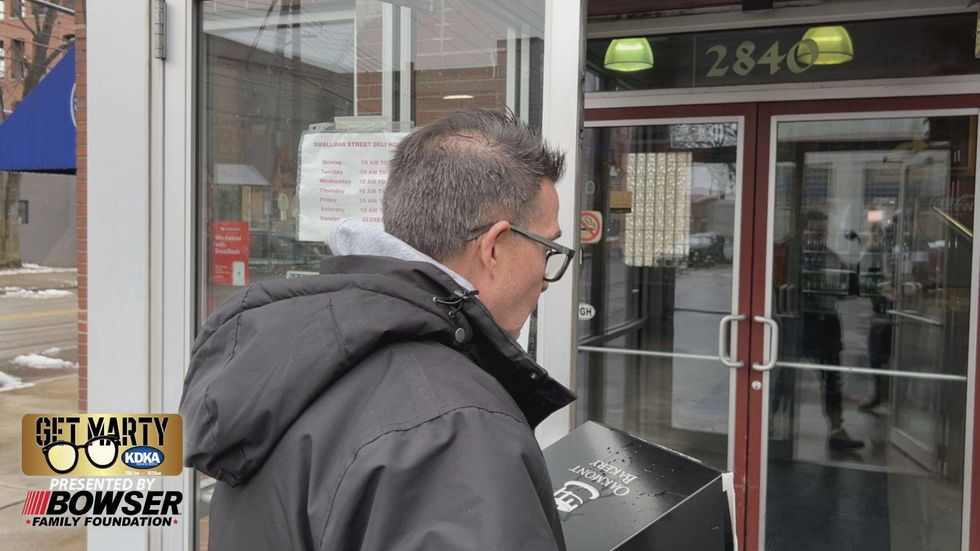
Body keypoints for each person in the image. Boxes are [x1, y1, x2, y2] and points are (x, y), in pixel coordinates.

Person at [180, 109, 577, 550]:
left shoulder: (283, 359)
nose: (546, 278)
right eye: (549, 248)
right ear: (494, 247)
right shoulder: (455, 426)